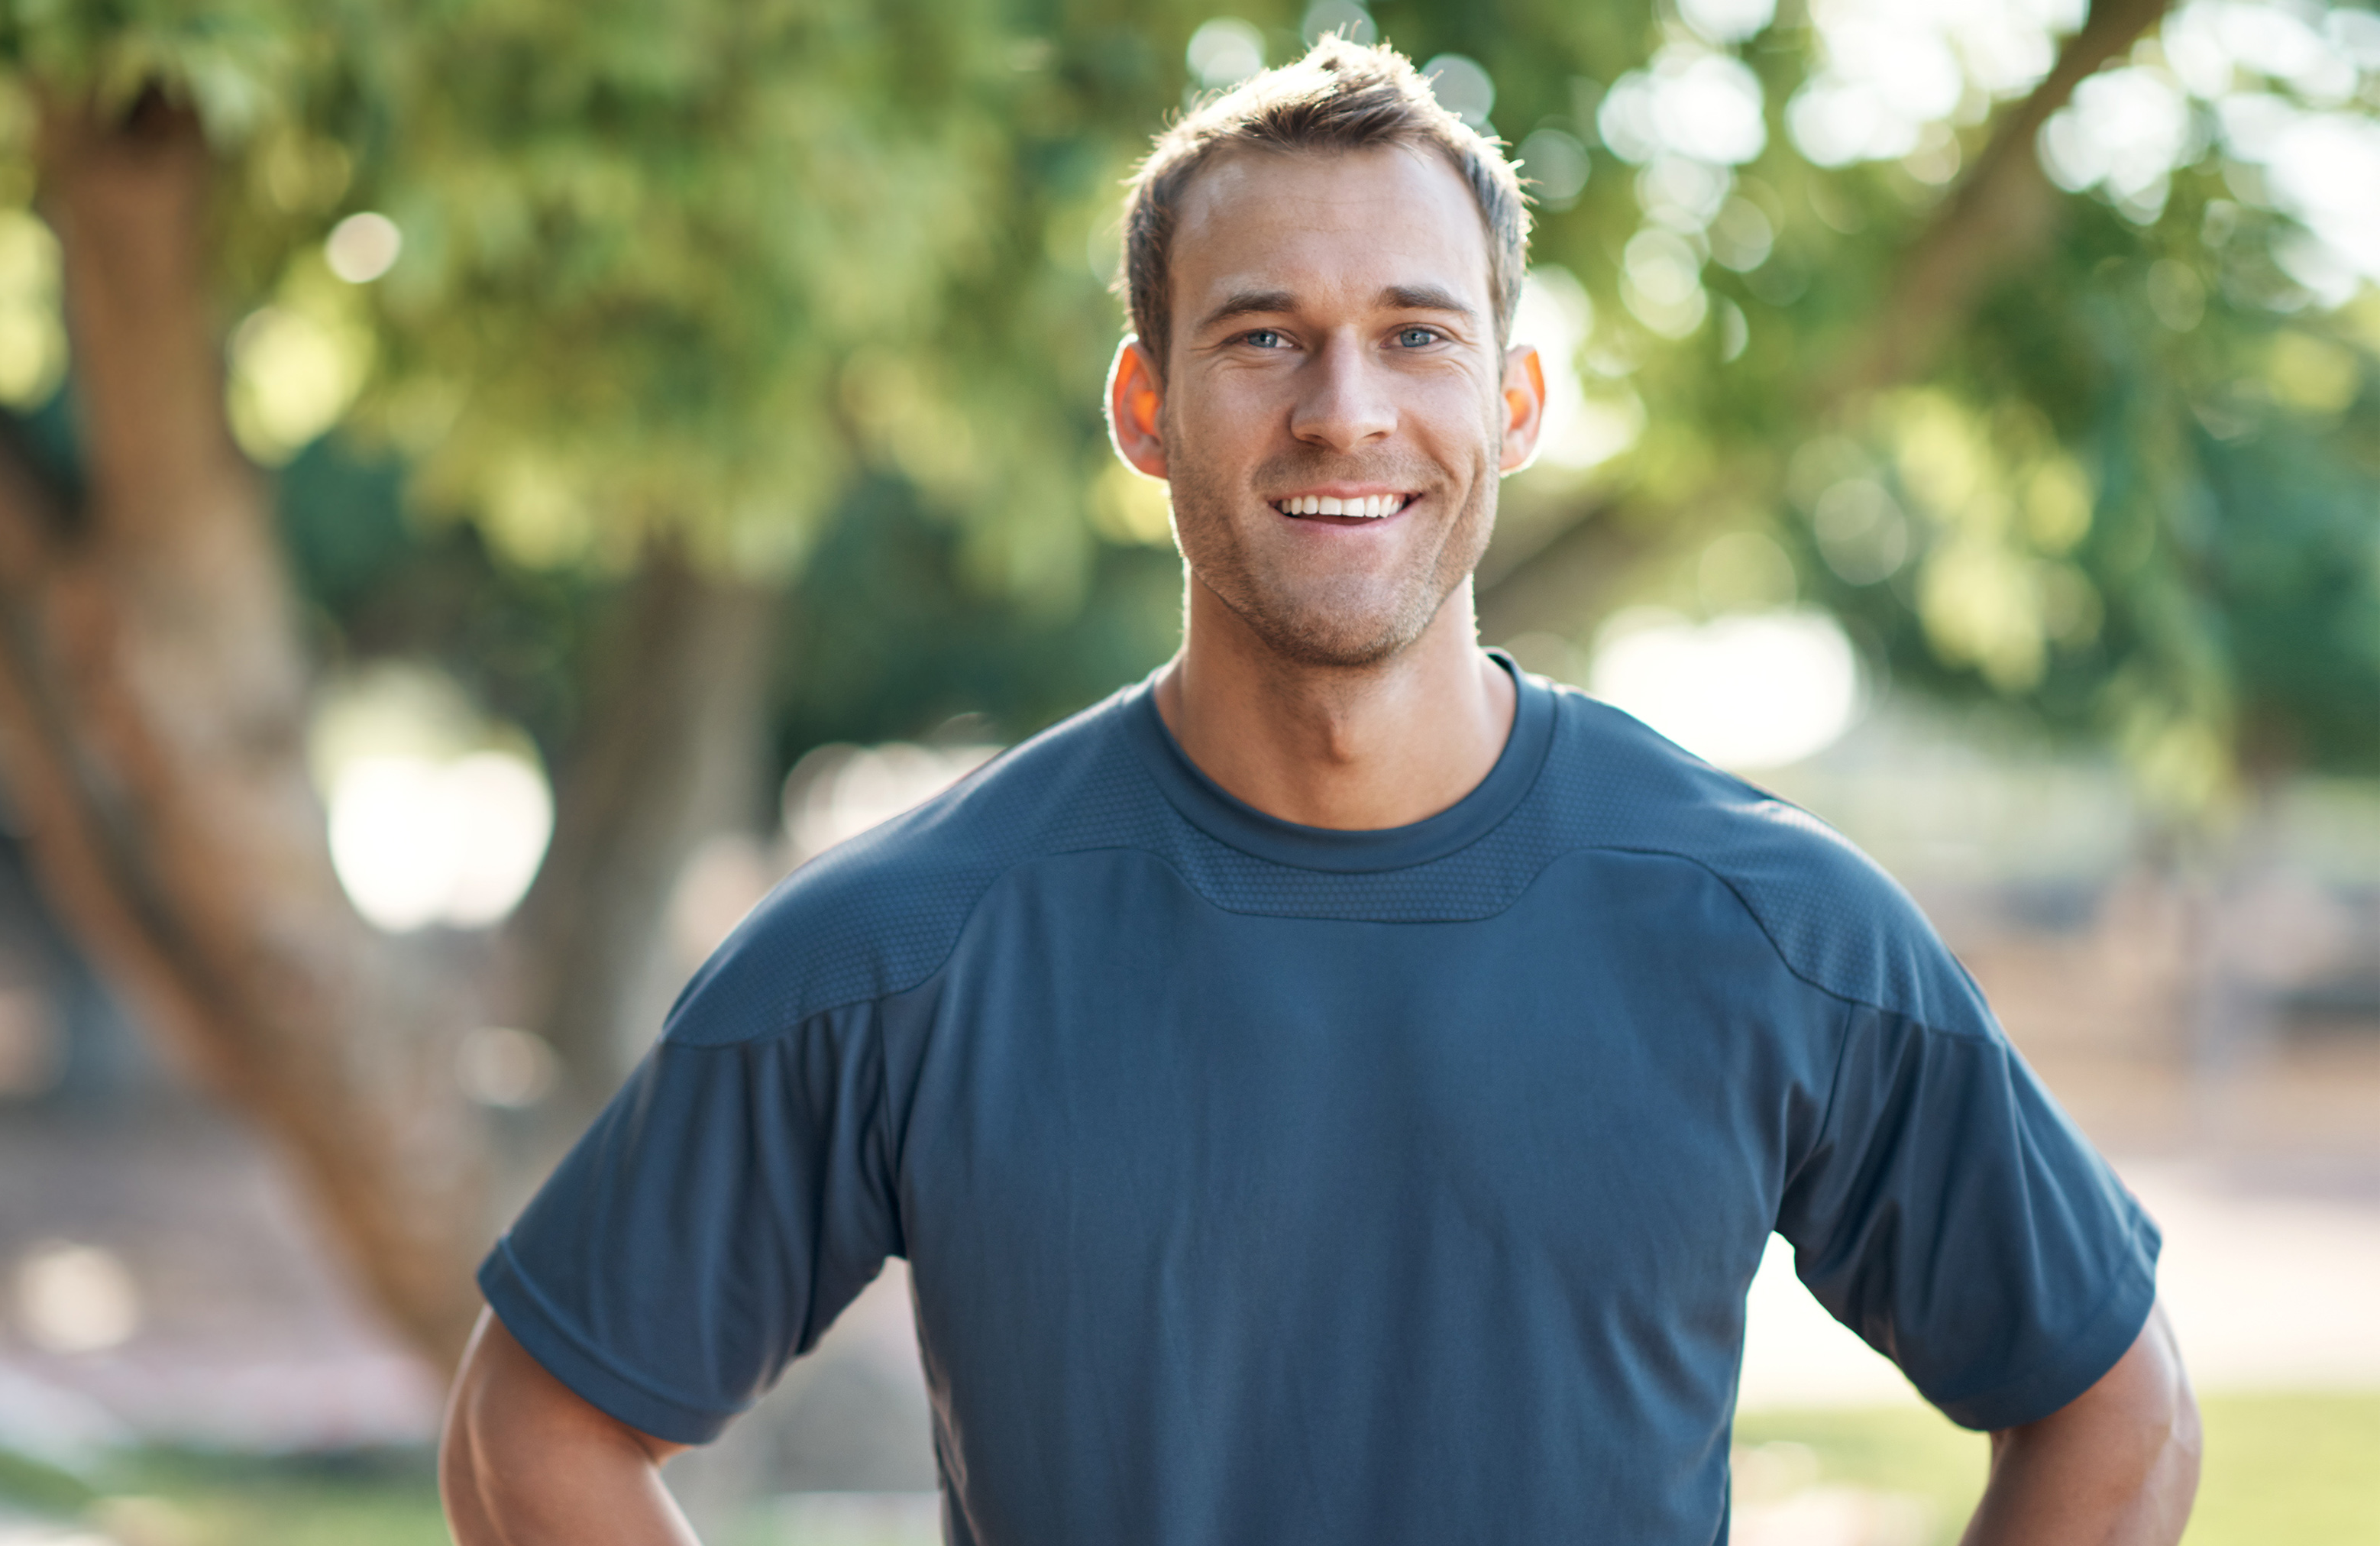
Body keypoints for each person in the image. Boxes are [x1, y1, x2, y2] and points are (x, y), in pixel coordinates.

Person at [440, 39, 2200, 1545]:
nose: (1344, 411)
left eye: (1417, 335)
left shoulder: (1770, 926)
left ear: (1516, 401)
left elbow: (2115, 1413)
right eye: (1264, 337)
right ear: (1146, 406)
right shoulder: (909, 948)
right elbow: (536, 1427)